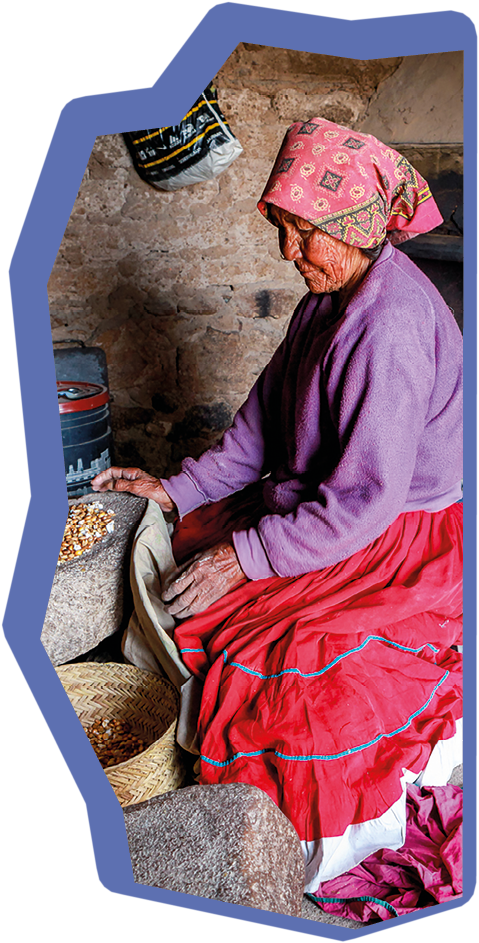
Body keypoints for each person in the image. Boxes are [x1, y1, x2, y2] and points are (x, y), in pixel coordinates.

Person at [92, 118, 462, 890]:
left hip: (392, 531)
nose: (288, 253)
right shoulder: (325, 299)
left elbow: (361, 502)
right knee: (190, 551)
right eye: (283, 231)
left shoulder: (388, 327)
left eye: (303, 234)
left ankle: (281, 844)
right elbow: (261, 426)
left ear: (358, 228)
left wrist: (249, 555)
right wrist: (178, 487)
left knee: (288, 674)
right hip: (332, 502)